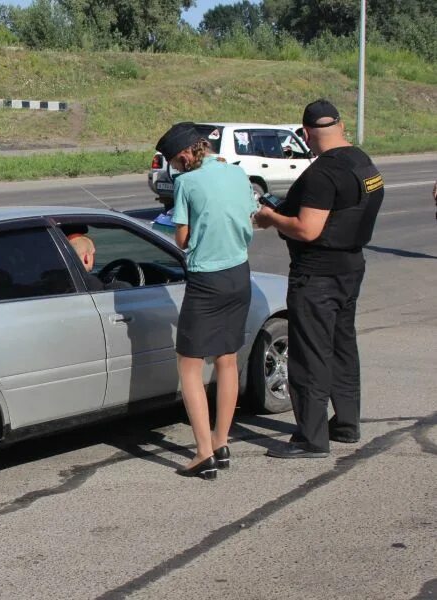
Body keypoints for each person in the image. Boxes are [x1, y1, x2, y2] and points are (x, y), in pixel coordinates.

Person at [254, 99, 384, 458]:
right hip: (351, 266)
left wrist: (271, 218)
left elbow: (308, 229)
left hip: (318, 274)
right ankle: (346, 423)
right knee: (343, 347)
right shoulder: (362, 161)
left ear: (307, 134)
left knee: (311, 354)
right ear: (341, 126)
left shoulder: (321, 174)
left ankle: (312, 439)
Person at [156, 122, 257, 479]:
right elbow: (250, 218)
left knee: (189, 364)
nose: (175, 168)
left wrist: (174, 224)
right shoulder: (236, 173)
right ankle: (221, 441)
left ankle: (202, 454)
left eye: (174, 161)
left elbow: (181, 239)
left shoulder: (186, 183)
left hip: (207, 280)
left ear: (184, 154)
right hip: (239, 273)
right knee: (227, 358)